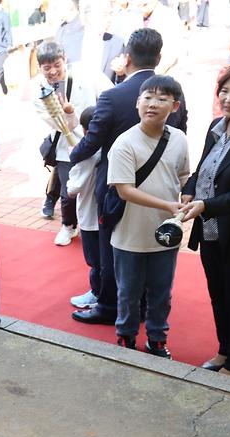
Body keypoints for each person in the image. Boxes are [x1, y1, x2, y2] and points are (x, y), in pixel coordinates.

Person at [69, 28, 188, 326]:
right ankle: (148, 304)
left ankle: (111, 307)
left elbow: (91, 142)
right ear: (158, 57)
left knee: (114, 248)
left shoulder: (112, 94)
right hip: (162, 187)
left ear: (127, 57)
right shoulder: (174, 93)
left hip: (117, 186)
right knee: (155, 246)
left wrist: (71, 152)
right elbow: (181, 133)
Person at [108, 75, 190, 357]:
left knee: (161, 293)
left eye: (162, 98)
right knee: (128, 294)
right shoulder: (124, 143)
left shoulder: (179, 139)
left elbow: (182, 174)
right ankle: (126, 338)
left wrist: (187, 196)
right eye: (148, 97)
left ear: (175, 106)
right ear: (137, 103)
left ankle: (157, 339)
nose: (153, 104)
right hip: (130, 234)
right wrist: (168, 205)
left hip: (166, 233)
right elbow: (125, 191)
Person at [180, 61, 230, 377]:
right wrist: (191, 189)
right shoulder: (217, 126)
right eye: (225, 91)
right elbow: (202, 169)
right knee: (218, 292)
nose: (229, 98)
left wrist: (207, 205)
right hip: (210, 229)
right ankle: (224, 350)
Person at [35, 41, 112, 246]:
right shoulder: (39, 89)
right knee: (69, 191)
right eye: (46, 67)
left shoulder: (85, 72)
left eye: (57, 64)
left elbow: (109, 93)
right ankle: (68, 225)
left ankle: (100, 223)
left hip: (95, 140)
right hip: (66, 147)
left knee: (99, 186)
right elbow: (61, 126)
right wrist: (69, 112)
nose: (53, 71)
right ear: (39, 68)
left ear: (65, 59)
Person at [66, 106, 101, 310]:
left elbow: (73, 188)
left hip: (89, 214)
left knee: (95, 260)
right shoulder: (108, 147)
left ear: (86, 130)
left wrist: (72, 171)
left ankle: (97, 293)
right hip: (106, 213)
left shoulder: (86, 154)